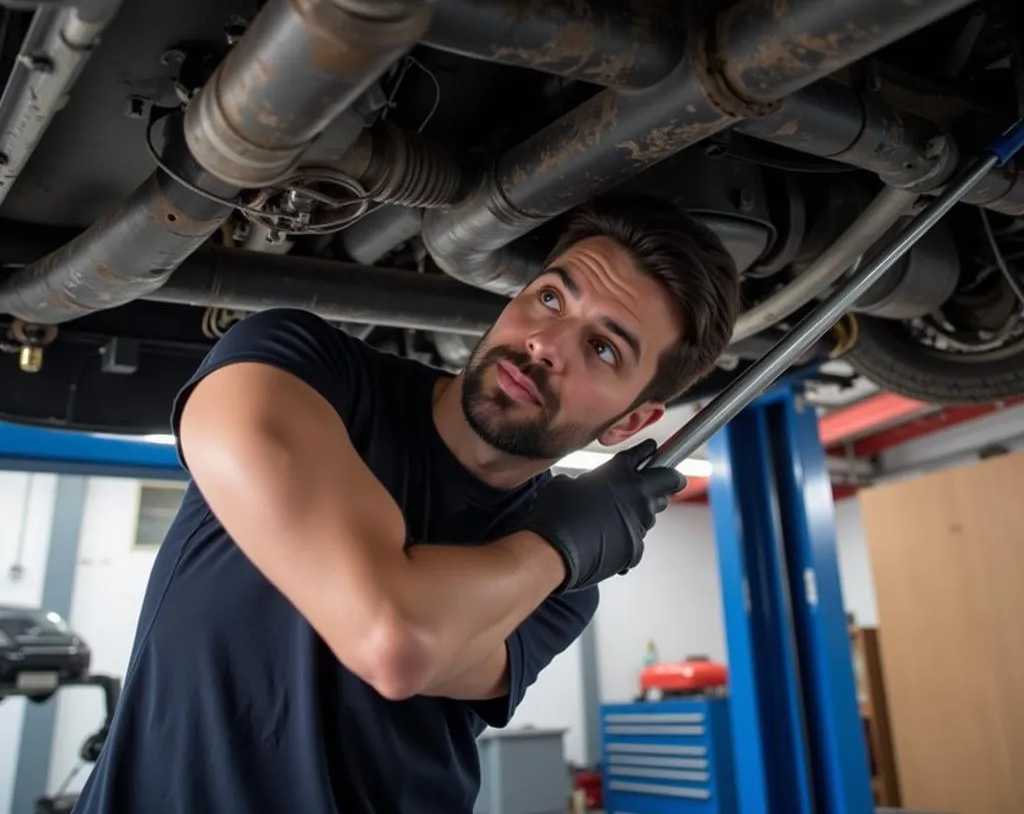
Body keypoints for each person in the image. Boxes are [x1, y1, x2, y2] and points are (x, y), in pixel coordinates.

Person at [72, 194, 739, 814]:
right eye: (550, 297)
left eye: (601, 347)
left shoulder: (562, 588)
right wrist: (558, 547)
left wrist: (558, 556)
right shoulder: (291, 365)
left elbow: (414, 649)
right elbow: (391, 637)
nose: (546, 343)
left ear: (630, 424)